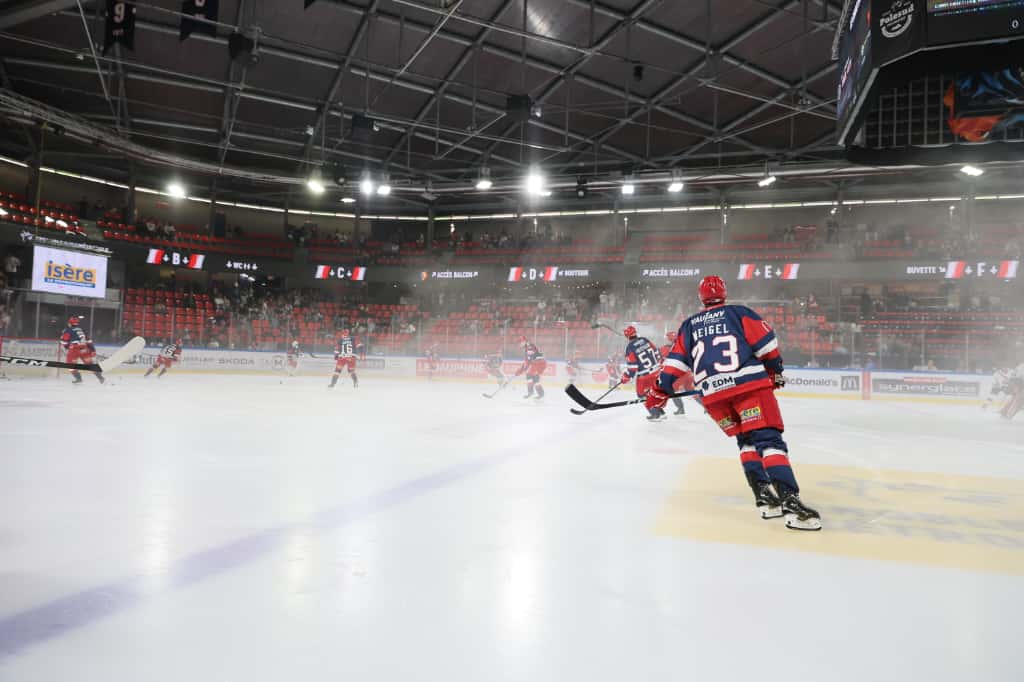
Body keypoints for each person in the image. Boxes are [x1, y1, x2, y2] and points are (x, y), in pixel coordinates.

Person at [648, 275, 821, 531]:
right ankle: (791, 504)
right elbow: (767, 346)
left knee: (746, 441)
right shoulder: (739, 313)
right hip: (748, 389)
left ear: (701, 297)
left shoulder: (689, 325)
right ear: (725, 293)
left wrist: (659, 391)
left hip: (715, 398)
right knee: (769, 441)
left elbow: (674, 365)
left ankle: (765, 499)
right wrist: (774, 372)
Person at [620, 325, 666, 422]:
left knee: (641, 395)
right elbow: (657, 353)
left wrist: (626, 377)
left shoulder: (629, 348)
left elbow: (633, 367)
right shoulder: (645, 340)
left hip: (645, 376)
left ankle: (655, 414)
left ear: (626, 336)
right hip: (657, 371)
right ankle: (660, 412)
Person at [60, 316, 105, 385]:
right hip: (84, 348)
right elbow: (89, 341)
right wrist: (92, 350)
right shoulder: (82, 329)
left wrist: (67, 347)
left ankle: (78, 379)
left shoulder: (67, 330)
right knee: (90, 364)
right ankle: (101, 378)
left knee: (70, 365)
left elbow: (64, 342)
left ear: (70, 323)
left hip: (74, 348)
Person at [660, 330, 694, 416]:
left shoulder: (666, 349)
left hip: (679, 373)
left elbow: (662, 361)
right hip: (688, 373)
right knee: (691, 391)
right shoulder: (685, 346)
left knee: (670, 390)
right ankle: (706, 406)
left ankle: (680, 408)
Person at [514, 335, 546, 400]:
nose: (519, 344)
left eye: (520, 342)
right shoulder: (528, 346)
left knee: (529, 375)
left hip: (538, 363)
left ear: (524, 341)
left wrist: (520, 370)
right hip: (541, 363)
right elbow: (528, 361)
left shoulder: (529, 347)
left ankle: (531, 392)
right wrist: (521, 370)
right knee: (535, 378)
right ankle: (541, 394)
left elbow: (528, 362)